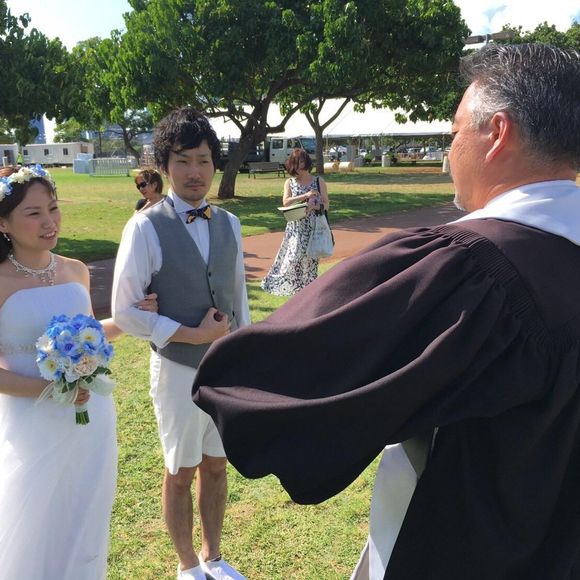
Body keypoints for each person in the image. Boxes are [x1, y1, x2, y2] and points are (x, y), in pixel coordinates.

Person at [192, 43, 580, 579]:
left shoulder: (469, 270)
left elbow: (258, 385)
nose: (450, 154)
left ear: (498, 134)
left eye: (454, 133)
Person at [112, 107, 250, 580]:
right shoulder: (145, 226)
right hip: (176, 370)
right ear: (164, 165)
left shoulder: (229, 223)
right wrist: (192, 334)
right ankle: (187, 565)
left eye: (204, 160)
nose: (195, 172)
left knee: (217, 465)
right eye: (183, 161)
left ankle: (214, 556)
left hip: (225, 368)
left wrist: (245, 352)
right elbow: (125, 311)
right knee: (180, 471)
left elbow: (239, 300)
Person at [0, 165, 156, 580]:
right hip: (31, 422)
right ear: (3, 223)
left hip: (90, 414)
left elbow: (90, 333)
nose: (49, 221)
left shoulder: (75, 270)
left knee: (84, 517)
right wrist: (47, 389)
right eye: (33, 213)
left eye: (53, 208)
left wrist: (131, 318)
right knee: (31, 522)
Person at [261, 148, 330, 296]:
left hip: (313, 229)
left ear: (307, 163)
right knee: (292, 259)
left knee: (310, 263)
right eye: (295, 163)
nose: (299, 166)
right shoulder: (290, 182)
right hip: (295, 228)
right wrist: (305, 196)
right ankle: (290, 289)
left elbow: (326, 205)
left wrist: (314, 206)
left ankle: (308, 294)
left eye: (301, 162)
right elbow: (286, 202)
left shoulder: (318, 181)